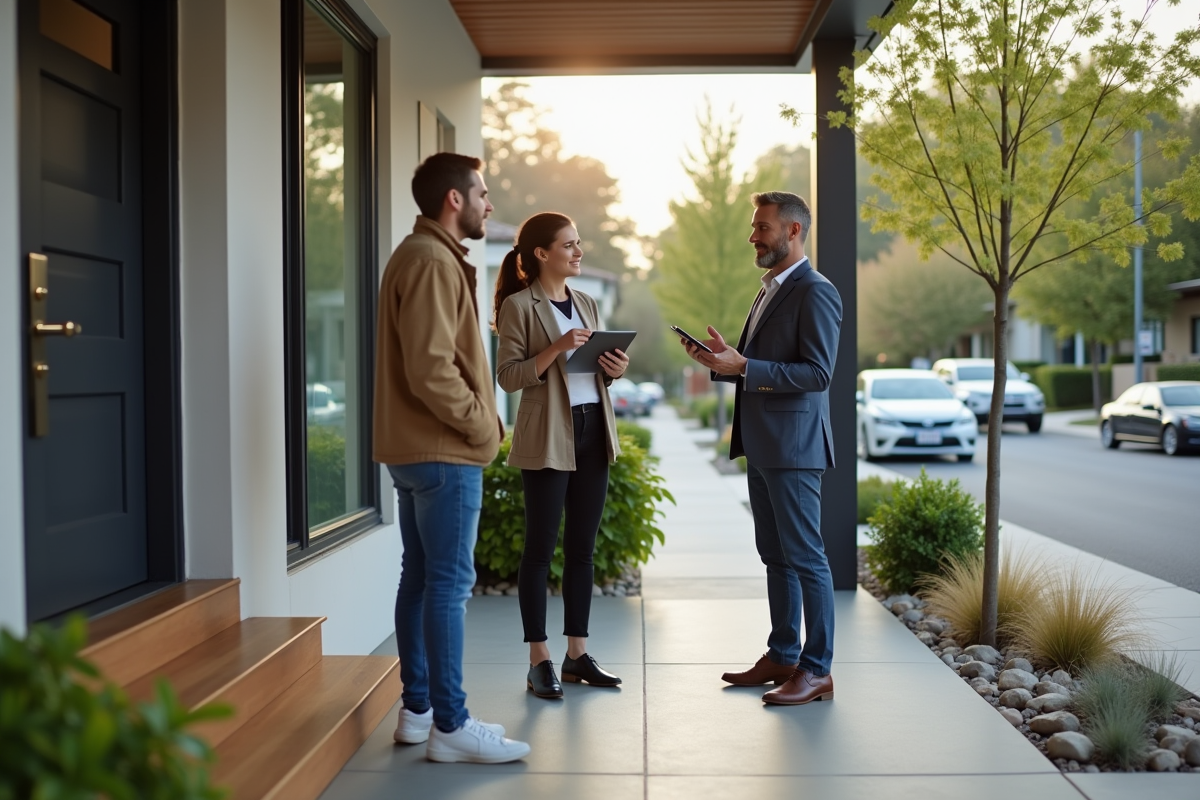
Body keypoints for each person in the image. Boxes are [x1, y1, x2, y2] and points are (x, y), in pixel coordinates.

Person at [373, 152, 530, 762]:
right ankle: (451, 725)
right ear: (454, 200)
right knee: (448, 586)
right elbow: (432, 368)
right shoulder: (434, 260)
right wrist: (483, 429)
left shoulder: (418, 255)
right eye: (483, 193)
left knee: (419, 577)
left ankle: (417, 712)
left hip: (415, 450)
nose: (490, 204)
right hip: (444, 451)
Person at [679, 191, 842, 706]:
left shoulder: (816, 292)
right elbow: (756, 365)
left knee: (806, 558)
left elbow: (817, 374)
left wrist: (745, 367)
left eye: (762, 227)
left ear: (793, 231)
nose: (753, 235)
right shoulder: (769, 289)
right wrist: (723, 360)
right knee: (775, 556)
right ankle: (783, 654)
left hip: (794, 448)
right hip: (765, 445)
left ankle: (817, 670)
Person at [493, 212, 630, 700]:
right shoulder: (518, 306)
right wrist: (555, 348)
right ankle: (540, 660)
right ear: (541, 254)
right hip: (548, 433)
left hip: (594, 428)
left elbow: (589, 372)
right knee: (539, 550)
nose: (578, 252)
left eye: (579, 243)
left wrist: (613, 368)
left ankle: (576, 655)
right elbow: (508, 376)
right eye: (569, 245)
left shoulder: (588, 303)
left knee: (582, 550)